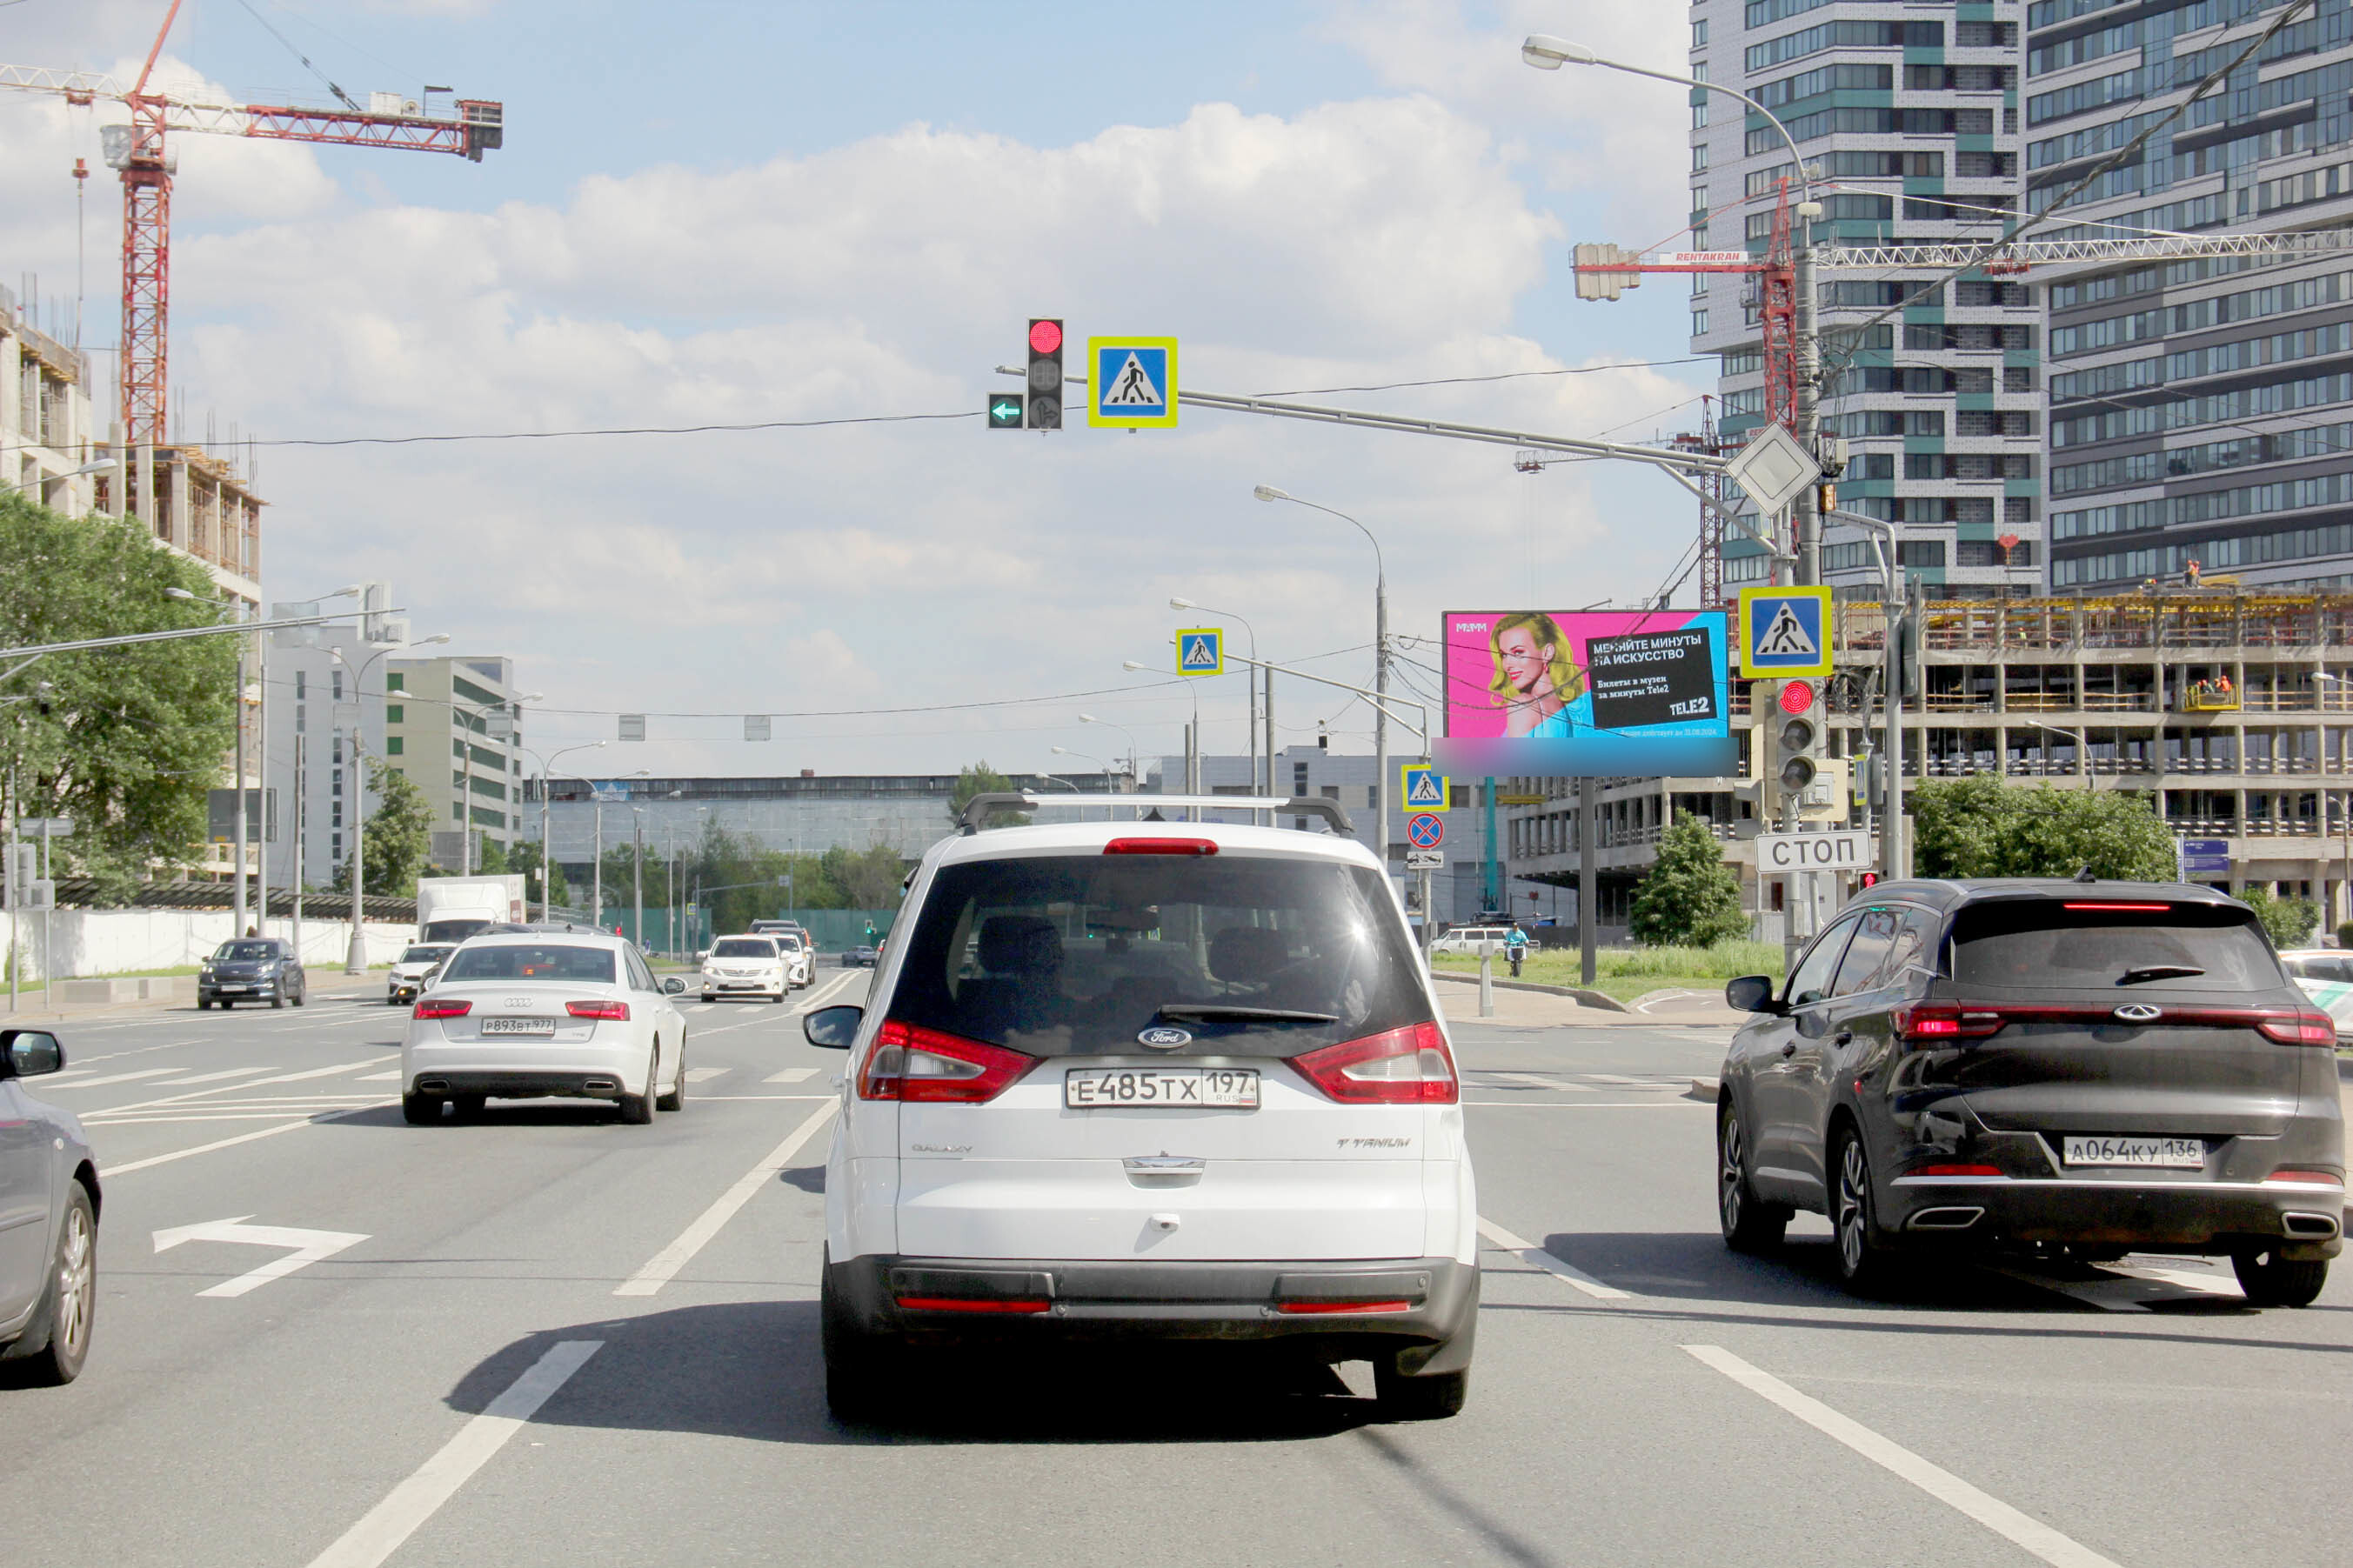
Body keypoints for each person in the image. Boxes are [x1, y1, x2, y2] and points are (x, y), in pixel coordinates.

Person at [1487, 612, 1591, 738]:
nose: (1507, 664)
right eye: (1504, 655)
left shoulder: (1523, 705)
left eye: (1518, 652)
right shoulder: (1563, 708)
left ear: (1547, 653)